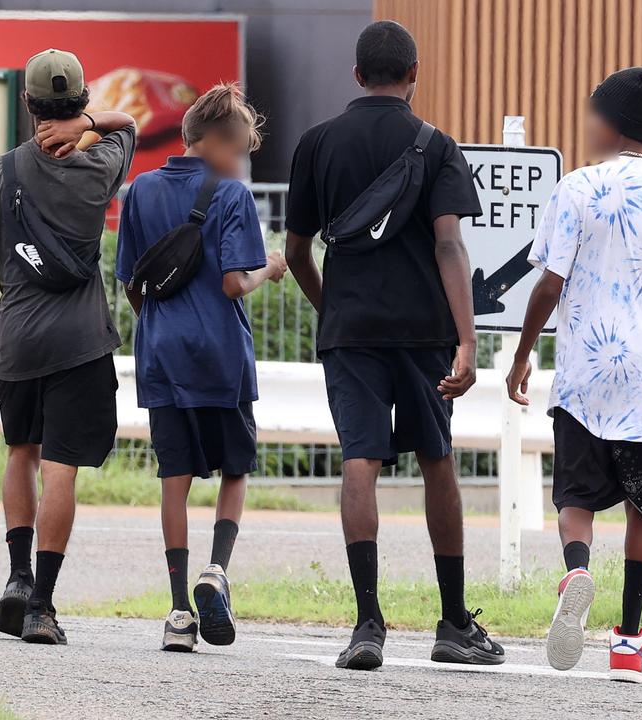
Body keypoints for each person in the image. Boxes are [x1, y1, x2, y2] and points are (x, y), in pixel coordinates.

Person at [285, 20, 505, 670]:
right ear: (413, 76)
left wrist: (335, 311)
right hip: (423, 332)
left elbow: (297, 251)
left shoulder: (317, 144)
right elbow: (448, 244)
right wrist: (467, 339)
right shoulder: (434, 146)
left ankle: (367, 624)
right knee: (437, 459)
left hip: (350, 333)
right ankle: (453, 624)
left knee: (361, 458)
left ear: (356, 75)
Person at [504, 66, 642, 681]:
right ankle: (628, 640)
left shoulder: (577, 188)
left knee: (575, 498)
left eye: (591, 113)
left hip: (585, 373)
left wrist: (524, 353)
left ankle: (576, 570)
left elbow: (549, 283)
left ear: (609, 122)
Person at [0, 48, 136, 645]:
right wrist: (86, 126)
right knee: (61, 468)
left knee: (20, 454)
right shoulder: (101, 167)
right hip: (80, 345)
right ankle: (43, 606)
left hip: (19, 343)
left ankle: (16, 576)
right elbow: (128, 124)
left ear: (28, 104)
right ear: (79, 103)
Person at [115, 83, 286, 653]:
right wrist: (273, 269)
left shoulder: (138, 190)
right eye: (237, 148)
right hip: (220, 354)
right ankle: (215, 570)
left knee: (174, 476)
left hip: (162, 355)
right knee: (236, 467)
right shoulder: (232, 196)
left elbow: (133, 283)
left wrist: (161, 325)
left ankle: (178, 613)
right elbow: (235, 280)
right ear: (213, 141)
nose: (239, 160)